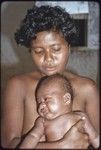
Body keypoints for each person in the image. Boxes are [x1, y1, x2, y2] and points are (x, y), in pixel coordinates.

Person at [1, 5, 99, 149]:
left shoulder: (87, 88)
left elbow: (95, 139)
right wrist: (61, 145)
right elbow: (8, 142)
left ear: (69, 47)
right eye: (39, 51)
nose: (48, 59)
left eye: (56, 49)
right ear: (30, 51)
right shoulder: (18, 85)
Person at [19, 74, 99, 149]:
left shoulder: (81, 117)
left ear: (66, 99)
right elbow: (33, 136)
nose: (41, 106)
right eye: (39, 102)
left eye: (46, 99)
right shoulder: (42, 122)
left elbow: (95, 137)